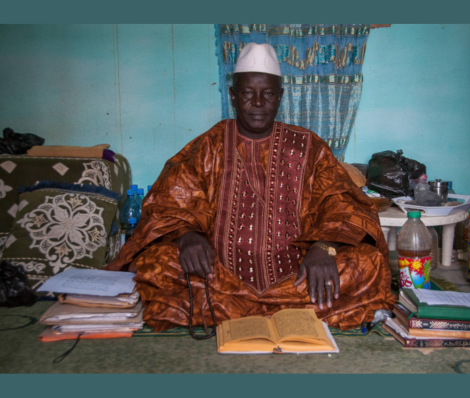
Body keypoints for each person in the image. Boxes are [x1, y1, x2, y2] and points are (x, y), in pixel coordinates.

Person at [105, 43, 396, 332]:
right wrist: (187, 236)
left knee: (369, 264)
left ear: (280, 97)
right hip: (217, 275)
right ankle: (290, 314)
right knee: (154, 264)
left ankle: (235, 312)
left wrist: (325, 247)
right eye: (247, 93)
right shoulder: (210, 145)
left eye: (267, 94)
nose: (258, 103)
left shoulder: (308, 146)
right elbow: (169, 201)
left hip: (298, 275)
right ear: (233, 96)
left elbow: (343, 204)